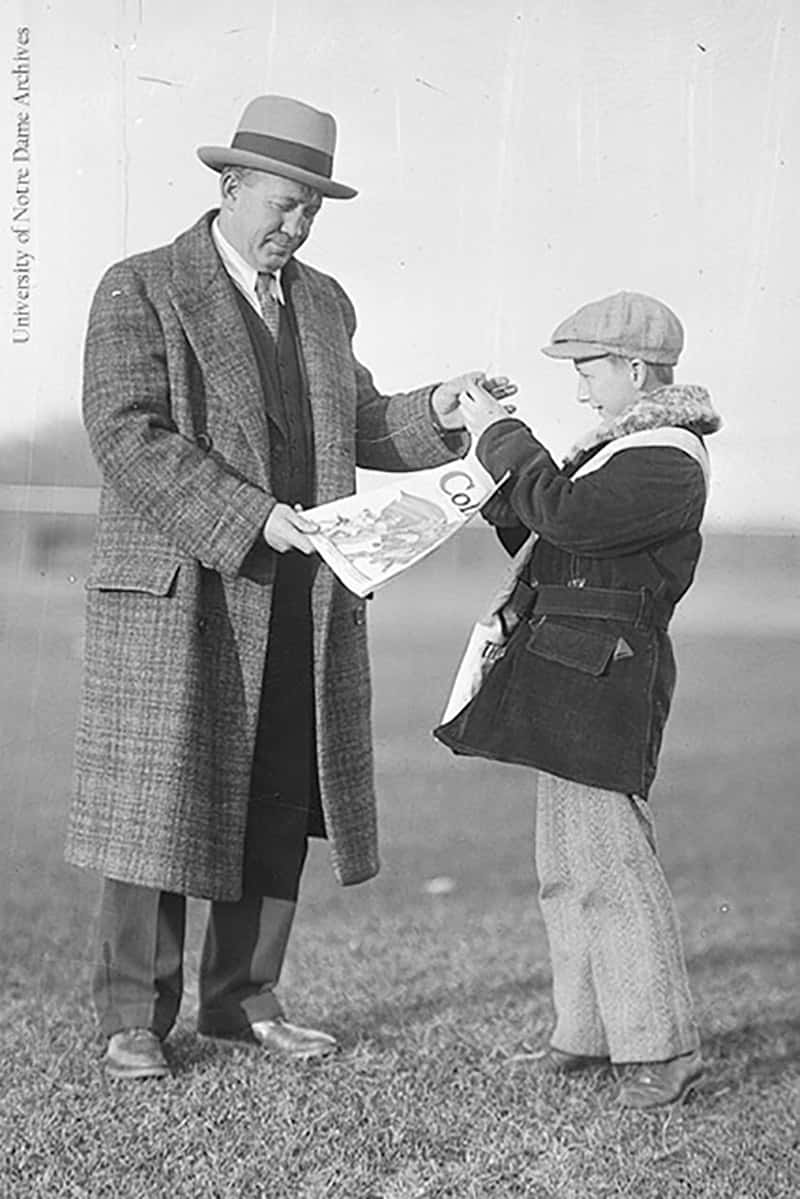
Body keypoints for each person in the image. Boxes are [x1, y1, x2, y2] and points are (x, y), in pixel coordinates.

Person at [66, 94, 514, 1080]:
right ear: (229, 188)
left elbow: (356, 421)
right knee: (159, 806)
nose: (297, 225)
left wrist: (437, 409)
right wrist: (246, 515)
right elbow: (127, 434)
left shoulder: (321, 301)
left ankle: (241, 999)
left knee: (278, 800)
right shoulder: (139, 288)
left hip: (297, 600)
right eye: (283, 203)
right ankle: (133, 1015)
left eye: (312, 208)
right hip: (181, 591)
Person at [438, 291, 720, 1108]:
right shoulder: (621, 451)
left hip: (609, 670)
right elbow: (548, 533)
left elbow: (563, 513)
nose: (582, 387)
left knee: (613, 867)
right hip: (572, 665)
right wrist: (484, 468)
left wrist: (500, 437)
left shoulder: (666, 453)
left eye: (590, 369)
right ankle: (588, 1033)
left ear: (635, 369)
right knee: (567, 868)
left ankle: (661, 1048)